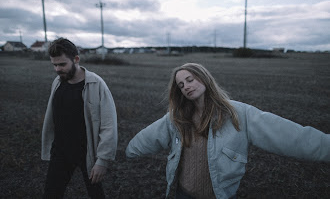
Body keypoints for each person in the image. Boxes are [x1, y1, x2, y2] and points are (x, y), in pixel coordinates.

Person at [125, 63, 330, 199]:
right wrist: (129, 151)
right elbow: (148, 137)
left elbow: (289, 135)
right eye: (180, 85)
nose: (186, 86)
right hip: (182, 193)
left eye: (190, 79)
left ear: (203, 78)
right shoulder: (176, 118)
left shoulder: (238, 113)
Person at [41, 37, 118, 198]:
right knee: (51, 194)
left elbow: (109, 126)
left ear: (76, 59)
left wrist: (102, 160)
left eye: (62, 64)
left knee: (96, 194)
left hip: (87, 152)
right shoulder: (57, 81)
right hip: (60, 151)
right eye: (54, 65)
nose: (57, 69)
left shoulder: (96, 84)